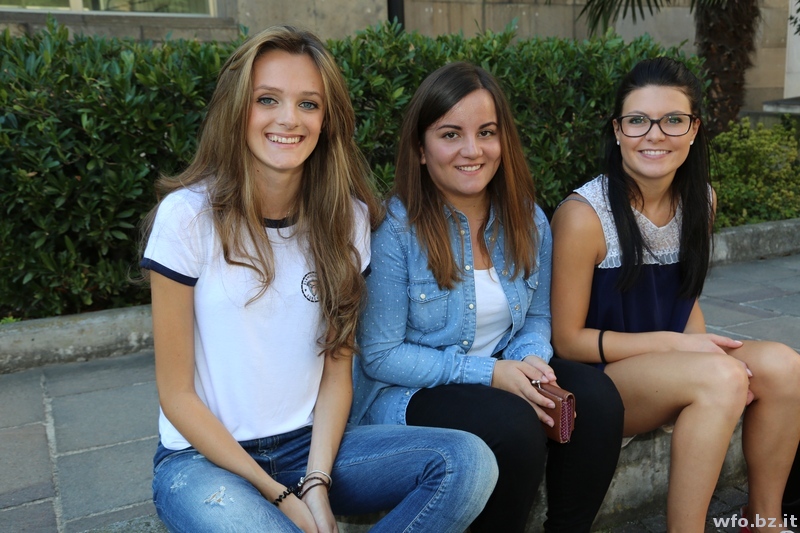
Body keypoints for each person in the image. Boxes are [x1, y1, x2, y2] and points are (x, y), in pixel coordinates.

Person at [139, 26, 498, 533]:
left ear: (327, 121)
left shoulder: (347, 219)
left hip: (311, 448)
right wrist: (280, 496)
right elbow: (176, 395)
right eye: (267, 99)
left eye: (308, 104)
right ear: (237, 109)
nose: (289, 118)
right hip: (202, 462)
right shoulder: (187, 217)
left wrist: (316, 483)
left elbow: (336, 373)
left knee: (469, 463)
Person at [350, 61, 624, 533]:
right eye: (450, 134)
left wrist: (531, 360)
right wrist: (490, 374)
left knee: (598, 399)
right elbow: (381, 355)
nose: (472, 150)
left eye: (486, 132)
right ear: (420, 149)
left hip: (498, 371)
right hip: (409, 392)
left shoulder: (527, 220)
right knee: (513, 426)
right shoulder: (394, 229)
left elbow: (537, 317)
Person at [550, 57, 800, 533]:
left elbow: (684, 300)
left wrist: (697, 350)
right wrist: (684, 352)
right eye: (637, 120)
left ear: (693, 129)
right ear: (618, 130)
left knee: (786, 366)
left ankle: (763, 520)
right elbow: (568, 341)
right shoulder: (584, 217)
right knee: (720, 379)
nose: (655, 135)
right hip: (598, 380)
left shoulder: (701, 199)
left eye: (673, 120)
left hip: (663, 363)